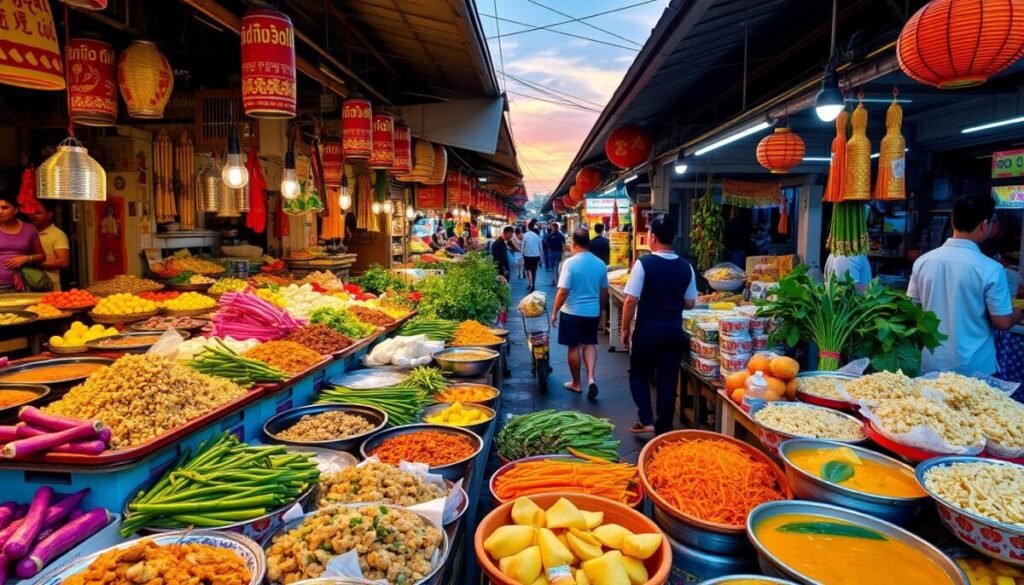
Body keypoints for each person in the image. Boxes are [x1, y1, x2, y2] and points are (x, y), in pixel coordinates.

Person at [908, 195, 1024, 376]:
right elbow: (1003, 322)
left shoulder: (923, 262)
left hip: (930, 362)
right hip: (973, 367)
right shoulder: (991, 269)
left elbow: (911, 310)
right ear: (983, 225)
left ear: (953, 222)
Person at [621, 215, 697, 435]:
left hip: (647, 330)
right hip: (674, 330)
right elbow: (690, 302)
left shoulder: (643, 264)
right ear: (673, 238)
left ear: (652, 238)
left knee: (638, 374)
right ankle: (664, 426)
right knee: (668, 378)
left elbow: (630, 301)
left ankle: (646, 418)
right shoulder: (686, 267)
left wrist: (625, 329)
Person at [551, 228, 608, 399]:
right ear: (588, 243)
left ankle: (576, 383)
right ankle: (591, 378)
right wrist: (600, 309)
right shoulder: (600, 264)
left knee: (573, 347)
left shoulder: (570, 263)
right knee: (590, 343)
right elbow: (603, 292)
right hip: (592, 312)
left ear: (573, 244)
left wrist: (554, 311)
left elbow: (562, 291)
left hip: (572, 312)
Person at [0, 191, 45, 291]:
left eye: (5, 208)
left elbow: (41, 256)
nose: (0, 211)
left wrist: (26, 259)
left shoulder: (29, 229)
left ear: (16, 209)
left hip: (21, 285)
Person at [28, 202, 70, 291]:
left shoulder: (57, 234)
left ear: (49, 215)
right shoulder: (27, 232)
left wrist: (32, 264)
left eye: (38, 213)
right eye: (31, 213)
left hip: (49, 283)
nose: (33, 216)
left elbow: (63, 262)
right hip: (28, 282)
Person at [521, 219, 543, 292]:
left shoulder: (526, 235)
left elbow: (523, 245)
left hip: (527, 255)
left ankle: (530, 283)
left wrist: (522, 253)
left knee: (528, 269)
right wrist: (541, 256)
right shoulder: (536, 236)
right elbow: (540, 246)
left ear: (528, 227)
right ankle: (533, 284)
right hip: (536, 255)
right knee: (534, 270)